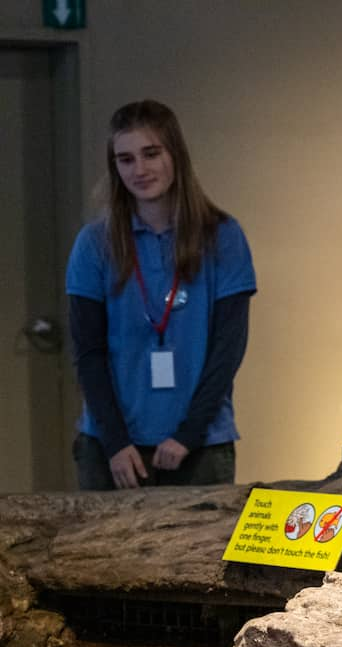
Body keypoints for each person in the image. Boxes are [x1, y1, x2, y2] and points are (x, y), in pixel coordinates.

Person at [66, 100, 256, 490]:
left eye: (151, 154)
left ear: (176, 156)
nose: (140, 170)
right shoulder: (94, 243)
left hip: (201, 444)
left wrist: (188, 434)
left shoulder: (223, 236)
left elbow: (228, 349)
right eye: (125, 159)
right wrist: (116, 442)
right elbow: (88, 352)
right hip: (112, 448)